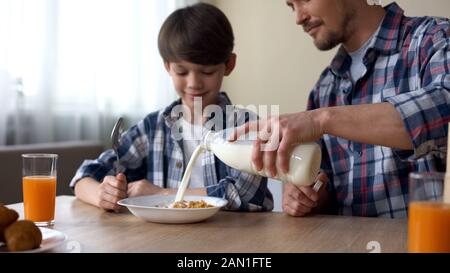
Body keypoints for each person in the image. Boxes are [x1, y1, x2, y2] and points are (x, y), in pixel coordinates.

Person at [233, 0, 450, 218]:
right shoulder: (324, 88)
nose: (298, 18)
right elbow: (323, 185)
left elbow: (444, 105)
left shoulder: (433, 39)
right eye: (291, 6)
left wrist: (322, 120)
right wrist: (307, 195)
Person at [70, 3, 274, 213]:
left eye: (207, 72)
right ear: (168, 66)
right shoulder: (153, 128)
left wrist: (161, 194)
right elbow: (85, 175)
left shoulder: (246, 126)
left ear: (229, 65)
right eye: (182, 72)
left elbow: (246, 195)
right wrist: (102, 194)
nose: (194, 83)